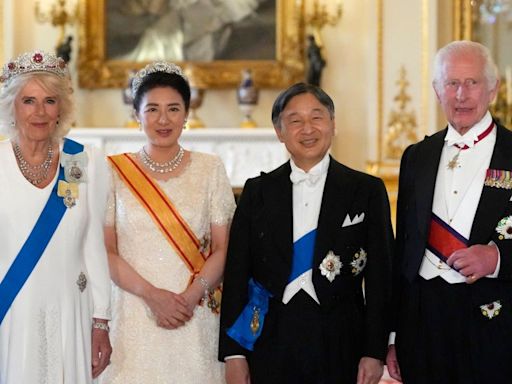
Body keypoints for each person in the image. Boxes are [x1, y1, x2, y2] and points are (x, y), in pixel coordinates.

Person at [219, 82, 394, 384]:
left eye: (317, 117)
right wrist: (234, 354)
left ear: (333, 124)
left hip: (342, 339)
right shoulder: (257, 192)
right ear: (279, 132)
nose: (308, 129)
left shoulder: (365, 190)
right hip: (270, 338)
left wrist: (374, 350)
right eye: (295, 121)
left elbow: (381, 276)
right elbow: (236, 273)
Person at [99, 61, 236, 383]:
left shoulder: (210, 168)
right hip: (134, 312)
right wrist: (152, 295)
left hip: (194, 313)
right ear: (137, 114)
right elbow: (106, 251)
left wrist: (189, 298)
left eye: (174, 109)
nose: (163, 119)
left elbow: (223, 248)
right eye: (153, 109)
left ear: (186, 114)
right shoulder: (113, 171)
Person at [386, 40, 512, 384]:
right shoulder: (416, 156)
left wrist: (497, 257)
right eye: (452, 83)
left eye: (471, 83)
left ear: (493, 89)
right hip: (422, 324)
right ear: (437, 90)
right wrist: (393, 335)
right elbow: (405, 251)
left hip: (494, 324)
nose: (461, 95)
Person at [0, 50, 112, 383]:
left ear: (61, 108)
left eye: (49, 101)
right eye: (28, 101)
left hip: (70, 311)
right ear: (12, 106)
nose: (39, 112)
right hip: (11, 310)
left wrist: (101, 320)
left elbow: (94, 244)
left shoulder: (81, 161)